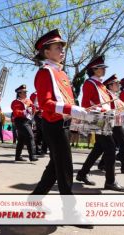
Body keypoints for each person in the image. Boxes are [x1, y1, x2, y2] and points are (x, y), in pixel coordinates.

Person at [31, 29, 93, 195]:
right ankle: (69, 210)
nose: (62, 50)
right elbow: (45, 103)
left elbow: (67, 101)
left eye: (62, 47)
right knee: (65, 166)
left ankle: (34, 201)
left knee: (55, 165)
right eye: (58, 47)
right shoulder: (45, 72)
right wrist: (72, 109)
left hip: (63, 123)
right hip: (53, 124)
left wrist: (76, 114)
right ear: (46, 52)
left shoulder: (62, 73)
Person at [77, 56, 124, 192]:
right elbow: (85, 104)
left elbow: (109, 103)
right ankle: (110, 182)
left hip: (105, 120)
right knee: (111, 149)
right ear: (94, 69)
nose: (104, 70)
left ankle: (82, 174)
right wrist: (102, 109)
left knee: (98, 149)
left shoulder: (101, 86)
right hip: (98, 120)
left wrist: (117, 109)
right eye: (102, 68)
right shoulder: (89, 83)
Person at [96, 75, 124, 175]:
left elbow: (121, 107)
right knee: (123, 142)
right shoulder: (108, 95)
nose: (119, 85)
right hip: (111, 122)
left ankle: (100, 165)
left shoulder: (114, 95)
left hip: (115, 122)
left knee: (103, 147)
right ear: (110, 86)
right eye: (116, 83)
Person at [11, 84, 38, 162]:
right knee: (30, 136)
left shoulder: (28, 100)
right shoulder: (15, 102)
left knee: (21, 139)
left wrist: (34, 109)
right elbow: (16, 112)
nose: (26, 93)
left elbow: (32, 110)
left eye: (26, 92)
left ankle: (18, 156)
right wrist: (25, 111)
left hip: (28, 121)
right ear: (19, 93)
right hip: (20, 121)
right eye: (24, 92)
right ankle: (32, 156)